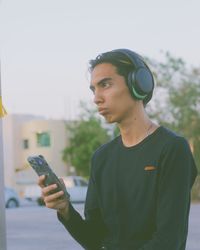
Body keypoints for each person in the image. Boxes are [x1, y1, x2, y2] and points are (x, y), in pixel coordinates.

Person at [38, 49, 197, 250]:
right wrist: (65, 210)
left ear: (138, 84)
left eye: (105, 85)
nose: (96, 98)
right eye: (93, 89)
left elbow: (168, 241)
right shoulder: (101, 158)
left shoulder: (172, 148)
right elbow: (94, 240)